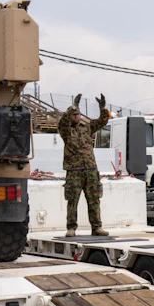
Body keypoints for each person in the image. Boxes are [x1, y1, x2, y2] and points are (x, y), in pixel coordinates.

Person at [58, 93, 110, 237]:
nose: (77, 116)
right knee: (72, 199)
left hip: (90, 169)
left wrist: (103, 107)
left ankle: (97, 227)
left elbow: (102, 121)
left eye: (78, 114)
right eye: (74, 114)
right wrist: (72, 107)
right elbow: (62, 122)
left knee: (94, 199)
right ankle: (71, 228)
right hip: (74, 170)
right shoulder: (66, 130)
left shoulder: (86, 127)